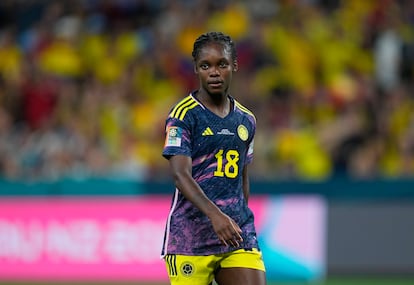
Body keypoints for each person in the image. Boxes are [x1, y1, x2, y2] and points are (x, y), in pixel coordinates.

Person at [161, 31, 266, 285]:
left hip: (235, 235)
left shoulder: (246, 119)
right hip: (190, 238)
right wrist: (216, 216)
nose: (215, 72)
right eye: (206, 65)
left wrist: (237, 216)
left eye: (222, 64)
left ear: (235, 66)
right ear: (196, 69)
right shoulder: (183, 115)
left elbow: (242, 176)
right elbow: (179, 174)